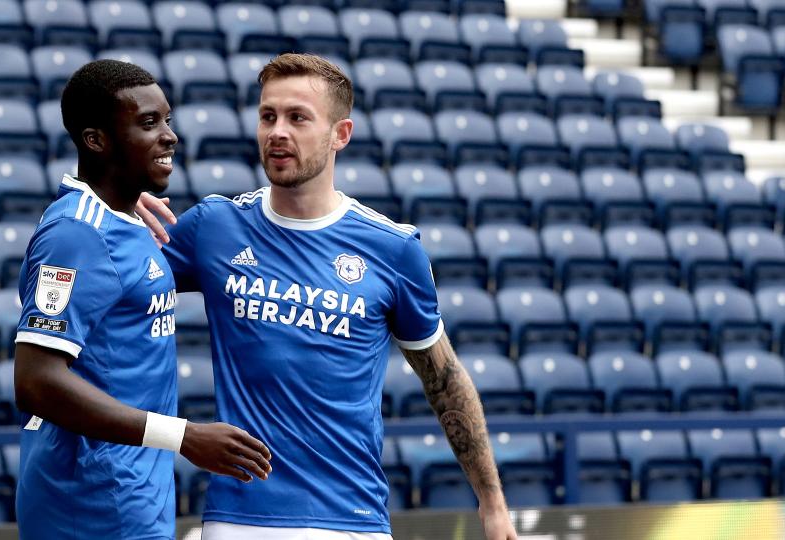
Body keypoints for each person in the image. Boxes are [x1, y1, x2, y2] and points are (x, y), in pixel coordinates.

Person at [138, 53, 517, 539]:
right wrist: (124, 221)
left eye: (298, 118)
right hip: (240, 518)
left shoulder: (394, 249)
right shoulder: (214, 227)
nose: (278, 131)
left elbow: (444, 380)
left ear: (341, 134)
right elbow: (118, 289)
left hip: (351, 519)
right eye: (268, 116)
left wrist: (492, 502)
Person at [13, 59, 272, 540]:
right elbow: (36, 381)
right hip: (89, 503)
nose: (170, 135)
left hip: (132, 493)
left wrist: (130, 205)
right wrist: (184, 436)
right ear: (96, 140)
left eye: (167, 119)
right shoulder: (76, 233)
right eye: (148, 123)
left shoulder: (125, 221)